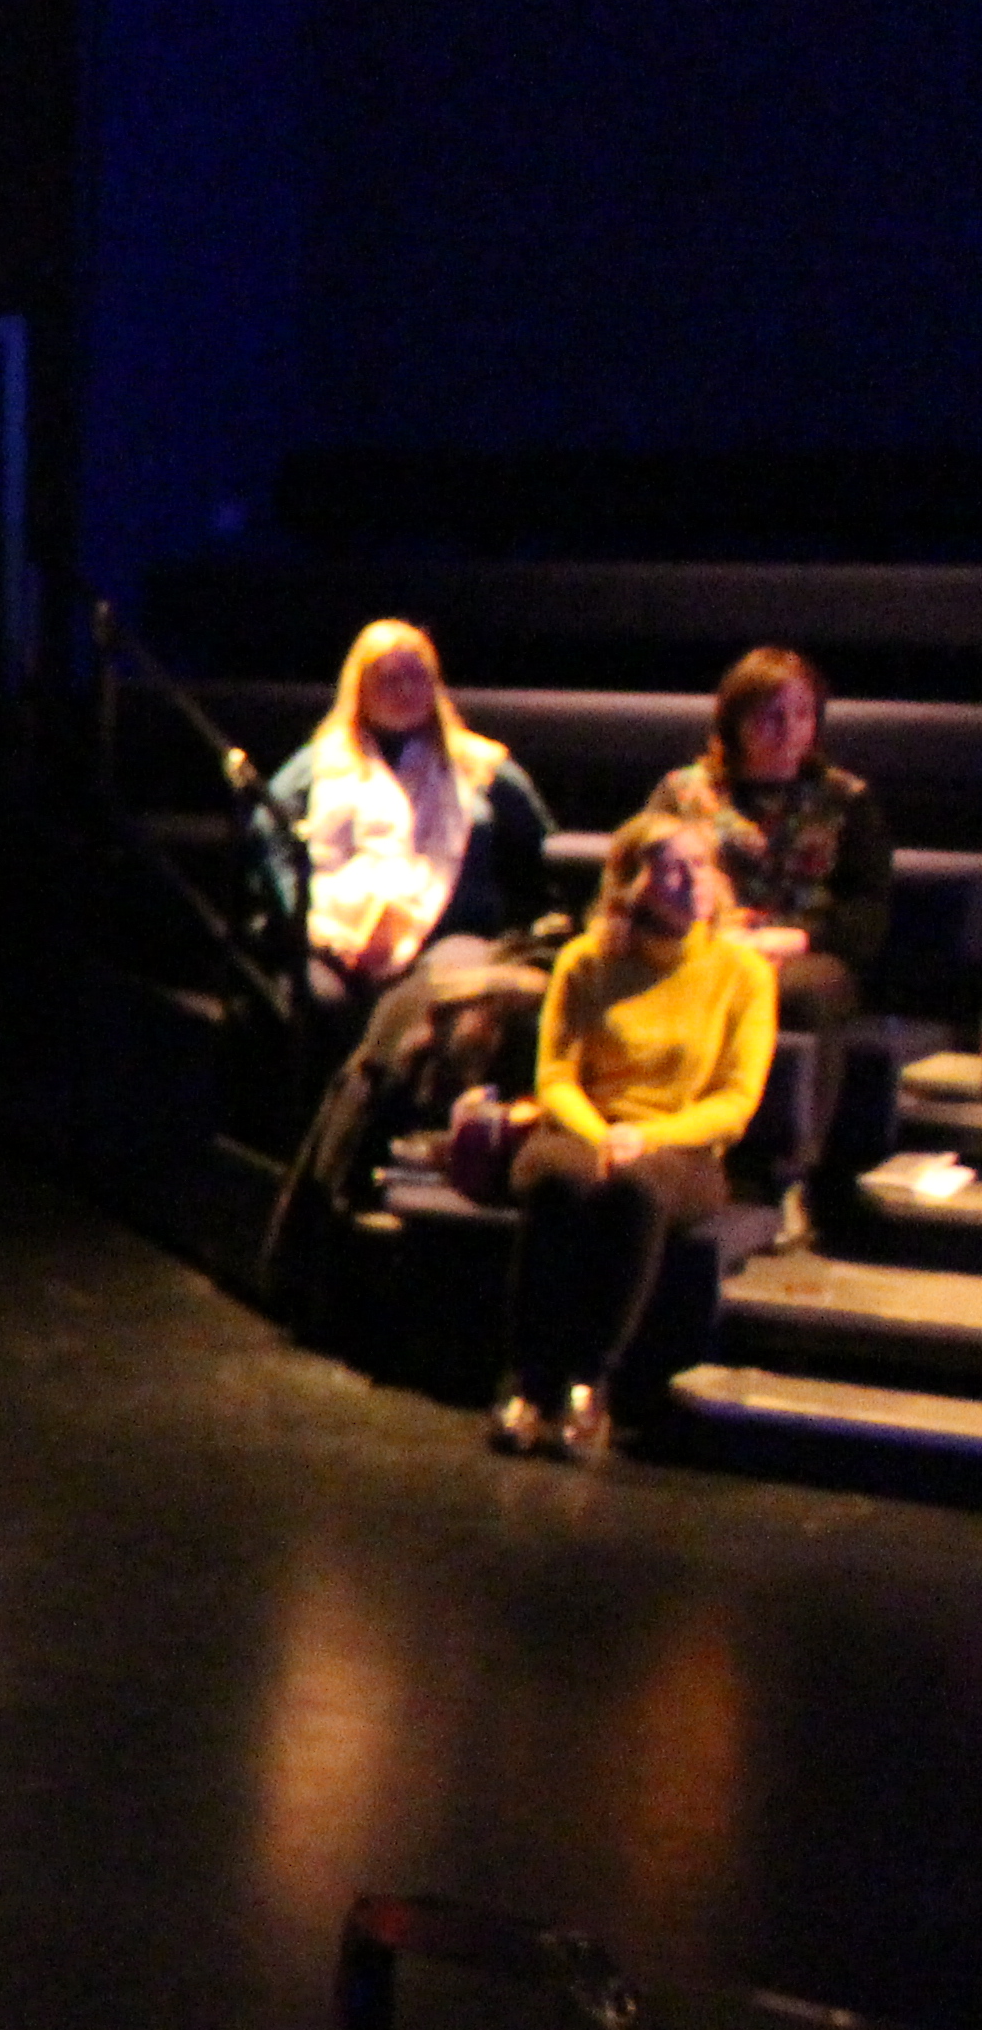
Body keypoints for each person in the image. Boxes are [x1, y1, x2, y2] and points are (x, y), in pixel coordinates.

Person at [487, 808, 775, 1462]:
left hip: (682, 1144)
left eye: (698, 865)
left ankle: (592, 1383)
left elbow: (734, 1101)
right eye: (668, 868)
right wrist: (604, 1134)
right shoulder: (586, 961)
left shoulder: (742, 974)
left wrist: (646, 1138)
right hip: (583, 1127)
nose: (687, 881)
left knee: (636, 1194)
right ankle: (529, 1381)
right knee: (563, 1180)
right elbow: (556, 1075)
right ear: (631, 882)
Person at [254, 620, 554, 1011]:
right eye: (390, 680)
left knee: (443, 992)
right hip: (338, 937)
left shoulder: (478, 765)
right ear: (359, 689)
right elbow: (267, 826)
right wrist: (299, 908)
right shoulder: (321, 764)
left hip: (450, 936)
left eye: (417, 678)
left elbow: (540, 840)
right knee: (320, 1000)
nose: (405, 692)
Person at [646, 646, 888, 1032]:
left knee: (800, 994)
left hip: (802, 952)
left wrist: (796, 939)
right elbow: (642, 882)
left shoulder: (846, 800)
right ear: (735, 720)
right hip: (700, 944)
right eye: (771, 716)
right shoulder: (683, 792)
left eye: (802, 714)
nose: (789, 729)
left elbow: (866, 911)